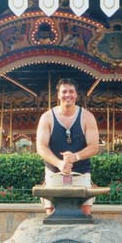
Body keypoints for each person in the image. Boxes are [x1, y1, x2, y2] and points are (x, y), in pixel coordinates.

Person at [36, 78, 99, 215]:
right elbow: (41, 146)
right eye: (64, 92)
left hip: (81, 171)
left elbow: (94, 146)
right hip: (55, 171)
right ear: (58, 95)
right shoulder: (47, 117)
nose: (67, 95)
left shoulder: (87, 117)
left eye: (71, 91)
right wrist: (59, 163)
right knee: (52, 213)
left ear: (76, 95)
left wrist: (75, 157)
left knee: (84, 212)